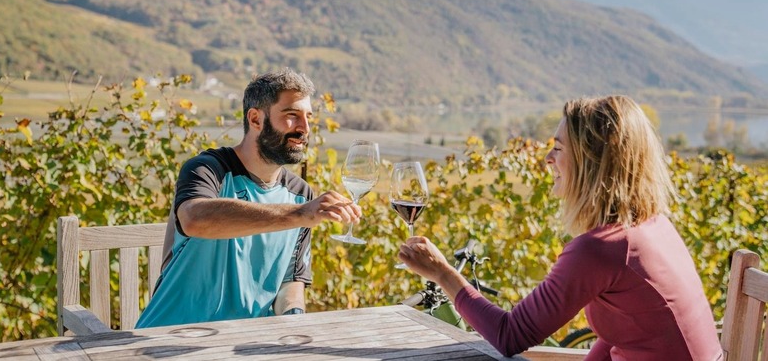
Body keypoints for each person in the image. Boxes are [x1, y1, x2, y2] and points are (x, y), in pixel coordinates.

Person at [399, 95, 722, 360]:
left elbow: (509, 335)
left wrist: (442, 272)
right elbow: (622, 338)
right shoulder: (652, 225)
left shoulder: (602, 248)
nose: (547, 160)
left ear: (590, 160)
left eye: (557, 148)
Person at [136, 69, 361, 328]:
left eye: (308, 117)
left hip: (246, 344)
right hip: (167, 338)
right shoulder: (208, 169)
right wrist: (300, 215)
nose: (304, 128)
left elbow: (290, 281)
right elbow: (194, 219)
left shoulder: (301, 194)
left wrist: (293, 318)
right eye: (292, 116)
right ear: (255, 119)